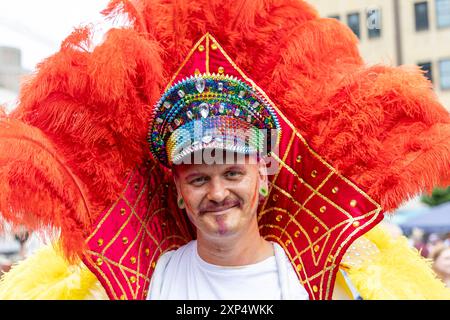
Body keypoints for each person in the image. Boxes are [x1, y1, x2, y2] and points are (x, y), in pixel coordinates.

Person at [0, 0, 450, 300]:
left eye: (232, 173)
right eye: (199, 178)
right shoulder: (149, 281)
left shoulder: (322, 281)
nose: (217, 193)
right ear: (178, 188)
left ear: (264, 174)